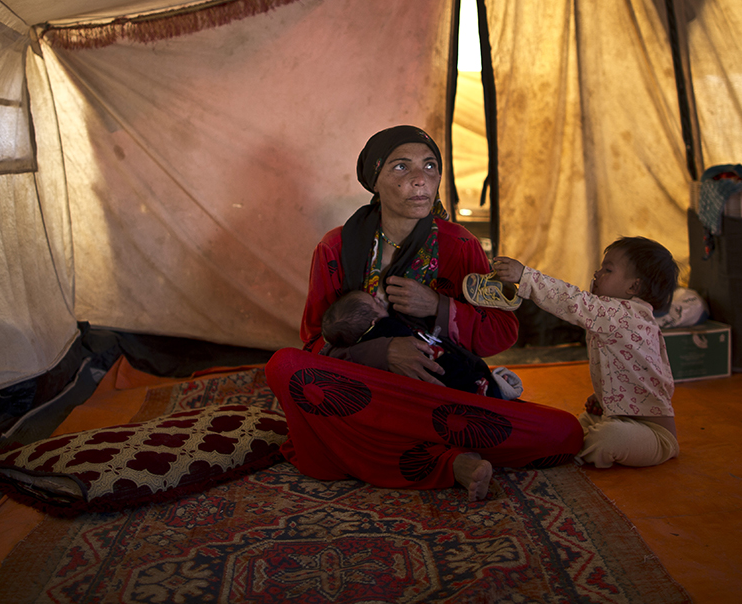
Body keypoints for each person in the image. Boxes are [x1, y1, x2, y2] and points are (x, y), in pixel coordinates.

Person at [265, 125, 582, 500]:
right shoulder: (336, 247)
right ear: (375, 180)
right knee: (283, 367)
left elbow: (501, 332)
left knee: (565, 432)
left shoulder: (459, 245)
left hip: (441, 399)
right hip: (373, 392)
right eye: (401, 167)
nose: (420, 179)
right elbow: (315, 343)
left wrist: (439, 307)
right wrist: (382, 353)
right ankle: (449, 462)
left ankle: (389, 449)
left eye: (430, 167)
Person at [490, 236, 680, 468]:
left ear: (633, 286)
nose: (596, 274)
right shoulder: (615, 316)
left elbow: (572, 301)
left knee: (609, 437)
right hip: (616, 416)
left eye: (607, 270)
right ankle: (566, 444)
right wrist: (605, 397)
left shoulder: (625, 315)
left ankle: (563, 453)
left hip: (654, 435)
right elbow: (633, 369)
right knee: (573, 426)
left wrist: (525, 276)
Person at [320, 290, 521, 399]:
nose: (380, 301)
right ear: (374, 323)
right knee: (451, 374)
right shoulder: (387, 328)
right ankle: (488, 390)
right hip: (431, 365)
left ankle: (489, 388)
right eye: (376, 304)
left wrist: (436, 305)